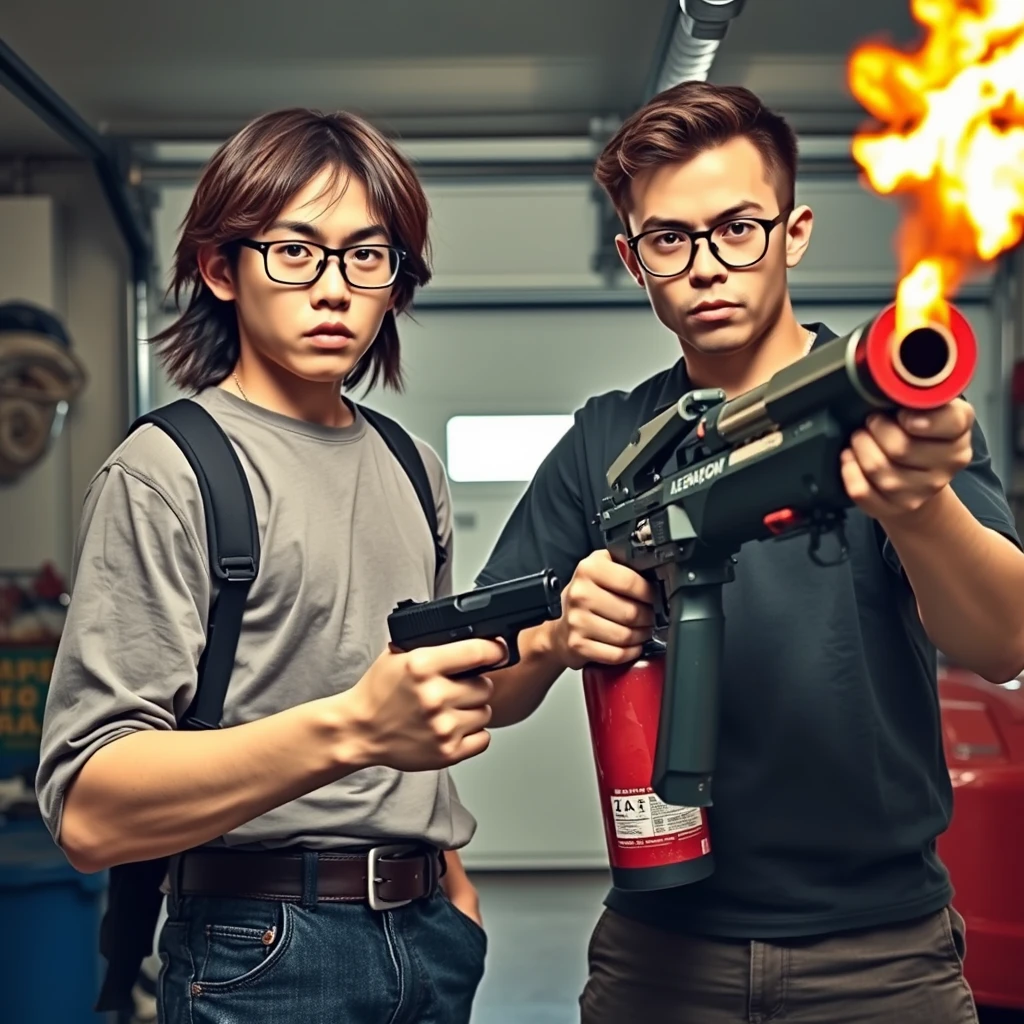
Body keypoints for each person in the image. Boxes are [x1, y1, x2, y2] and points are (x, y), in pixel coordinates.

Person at [475, 81, 1024, 1023]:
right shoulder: (605, 442)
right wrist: (560, 635)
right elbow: (486, 685)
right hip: (662, 949)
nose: (705, 267)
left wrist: (920, 505)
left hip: (882, 953)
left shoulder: (887, 411)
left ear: (793, 231)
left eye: (738, 228)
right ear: (633, 259)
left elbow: (1005, 641)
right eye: (669, 240)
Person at [35, 107, 498, 1024]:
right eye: (296, 250)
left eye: (369, 256)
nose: (334, 288)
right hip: (260, 944)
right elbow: (89, 812)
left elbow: (411, 729)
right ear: (220, 269)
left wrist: (449, 879)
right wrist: (353, 728)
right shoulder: (168, 471)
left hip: (431, 934)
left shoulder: (414, 468)